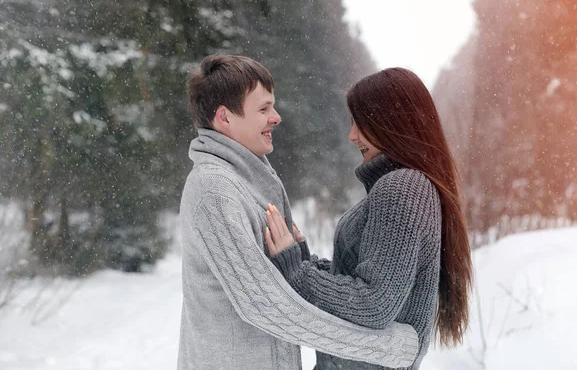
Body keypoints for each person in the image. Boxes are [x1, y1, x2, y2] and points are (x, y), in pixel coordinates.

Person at [177, 55, 421, 370]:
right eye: (263, 109)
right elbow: (266, 307)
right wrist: (387, 349)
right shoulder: (214, 191)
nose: (276, 117)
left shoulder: (249, 181)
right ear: (224, 117)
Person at [265, 67, 473, 370]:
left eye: (360, 123)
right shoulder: (407, 186)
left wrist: (296, 272)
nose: (352, 135)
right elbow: (372, 279)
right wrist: (304, 261)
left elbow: (373, 303)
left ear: (391, 121)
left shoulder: (401, 188)